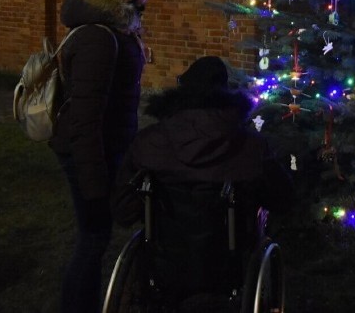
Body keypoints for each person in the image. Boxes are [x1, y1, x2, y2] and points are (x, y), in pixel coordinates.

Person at [110, 56, 294, 303]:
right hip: (228, 267)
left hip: (165, 264)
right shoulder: (251, 146)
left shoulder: (148, 142)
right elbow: (283, 200)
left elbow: (123, 210)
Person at [49, 0, 155, 313]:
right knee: (93, 237)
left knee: (96, 236)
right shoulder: (99, 37)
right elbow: (85, 118)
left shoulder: (113, 26)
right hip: (88, 152)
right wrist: (94, 184)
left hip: (103, 148)